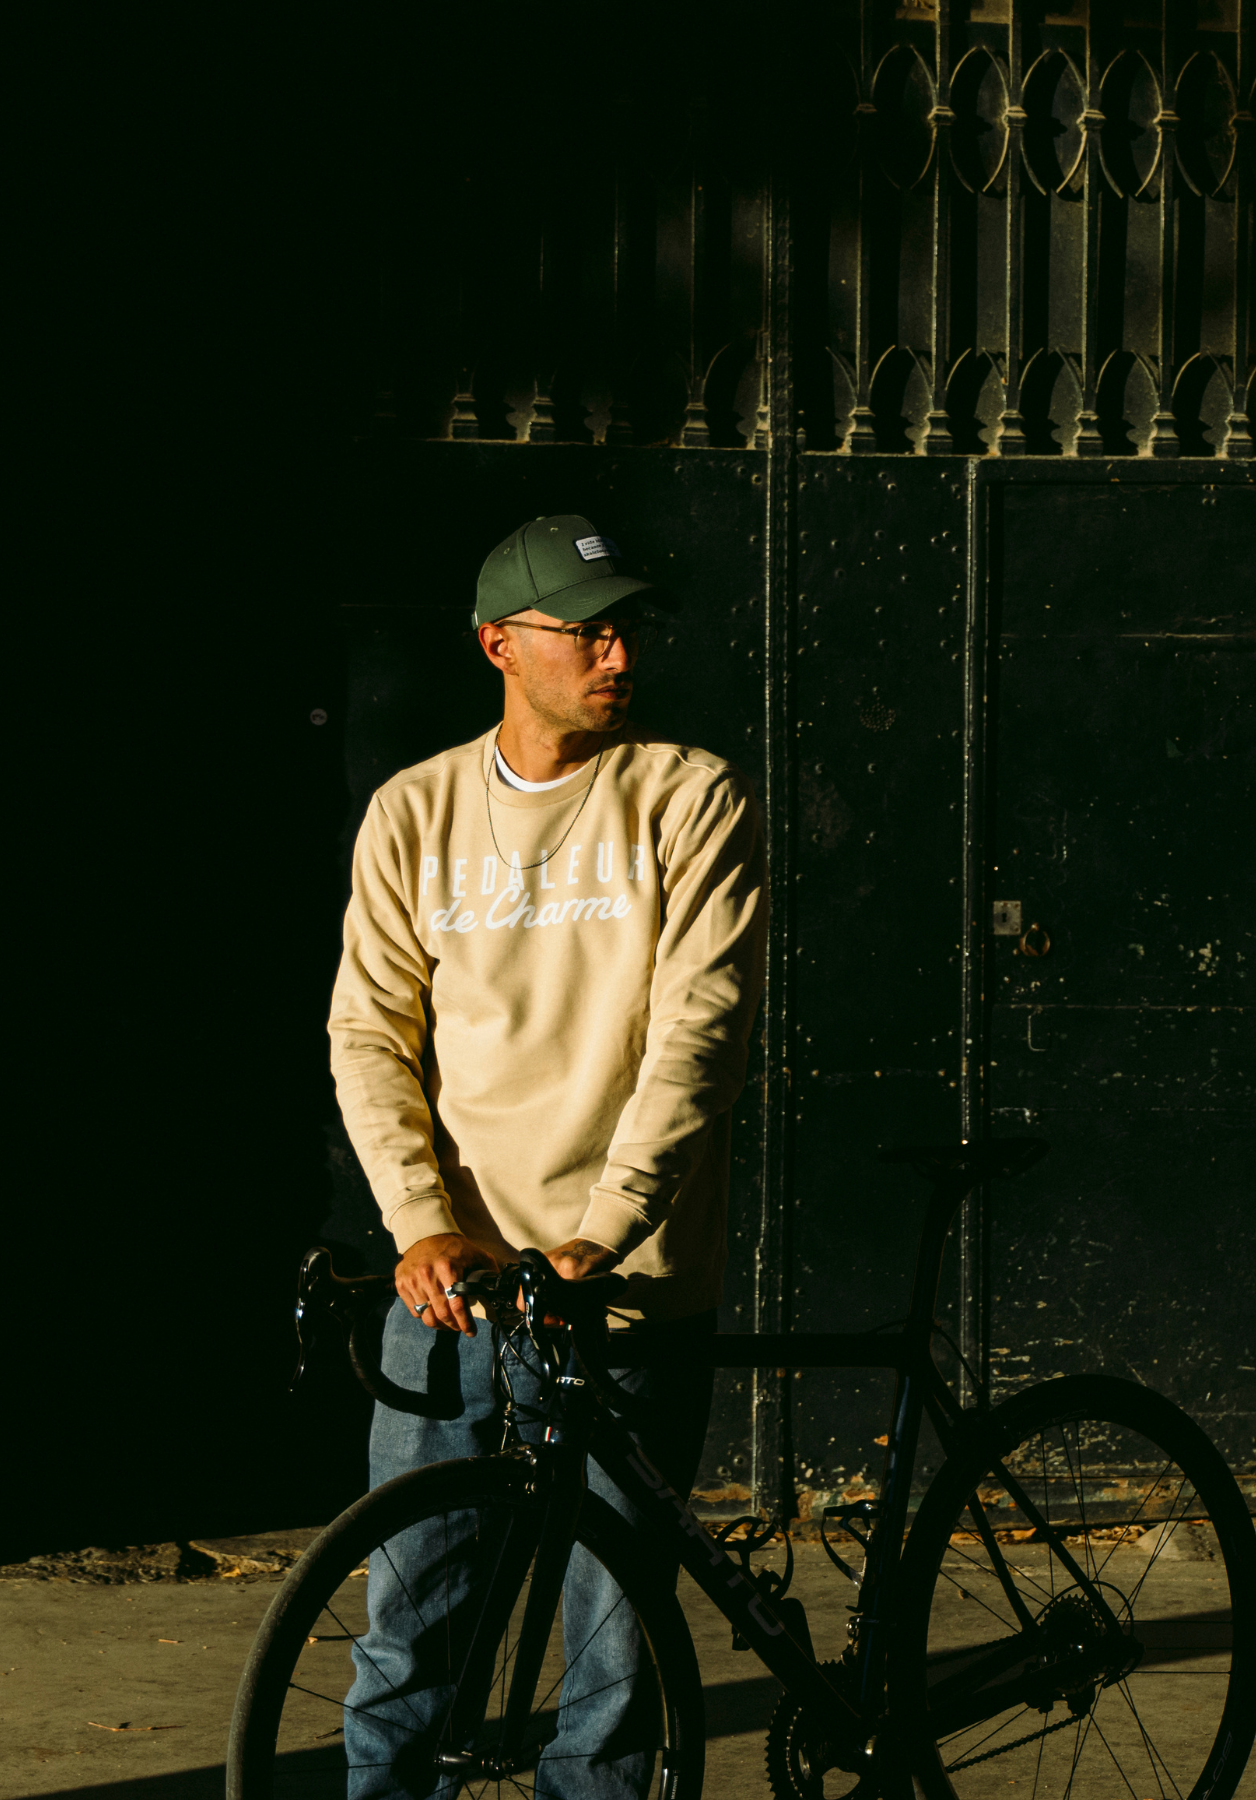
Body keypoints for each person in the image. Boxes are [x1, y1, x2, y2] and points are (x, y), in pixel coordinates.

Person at [327, 514, 765, 1798]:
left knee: (615, 1663)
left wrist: (610, 1225)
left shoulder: (688, 797)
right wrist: (419, 1219)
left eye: (629, 628)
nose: (619, 654)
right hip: (454, 1288)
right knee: (408, 1638)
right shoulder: (414, 812)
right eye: (588, 631)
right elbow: (369, 1032)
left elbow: (700, 1032)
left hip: (618, 1285)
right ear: (499, 645)